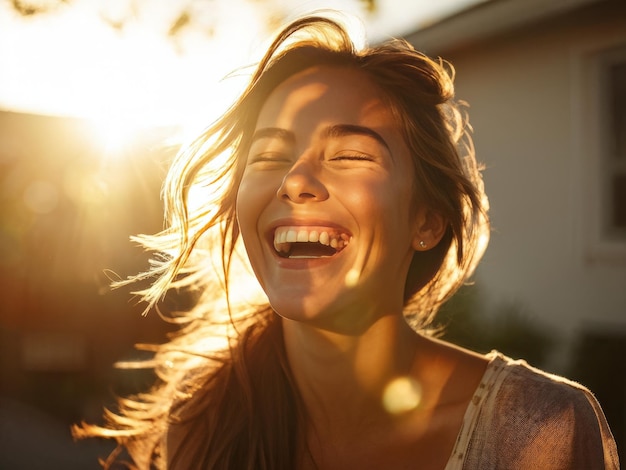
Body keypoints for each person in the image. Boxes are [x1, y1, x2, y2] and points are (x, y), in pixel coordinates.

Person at [74, 14, 619, 470]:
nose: (294, 181)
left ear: (426, 221)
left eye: (350, 155)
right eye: (268, 156)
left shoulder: (538, 433)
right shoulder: (201, 424)